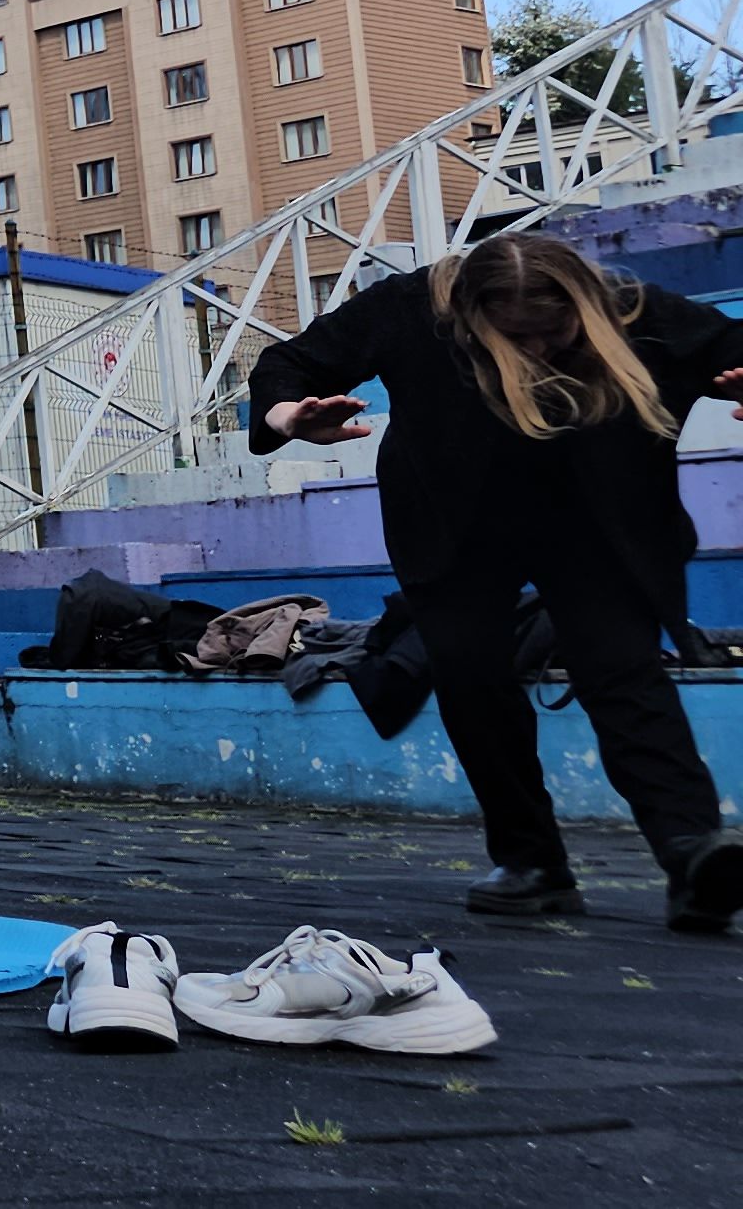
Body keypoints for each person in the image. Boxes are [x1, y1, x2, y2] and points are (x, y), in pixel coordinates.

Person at [252, 234, 743, 930]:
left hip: (596, 523)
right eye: (516, 337)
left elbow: (728, 345)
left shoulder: (632, 310)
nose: (536, 351)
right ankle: (530, 863)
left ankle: (692, 855)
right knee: (472, 677)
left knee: (625, 672)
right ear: (469, 317)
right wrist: (290, 417)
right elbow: (289, 363)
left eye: (553, 334)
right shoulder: (412, 308)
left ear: (582, 307)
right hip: (455, 525)